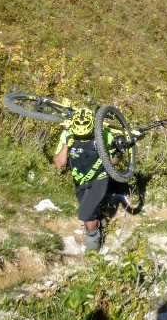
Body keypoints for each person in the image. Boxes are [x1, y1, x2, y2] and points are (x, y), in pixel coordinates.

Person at [52, 106, 130, 253]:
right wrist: (65, 145)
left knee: (86, 212)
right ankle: (101, 221)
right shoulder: (67, 135)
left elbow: (113, 163)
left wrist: (119, 151)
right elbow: (58, 164)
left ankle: (93, 242)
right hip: (79, 179)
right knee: (91, 208)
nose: (81, 137)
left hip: (99, 178)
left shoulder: (104, 135)